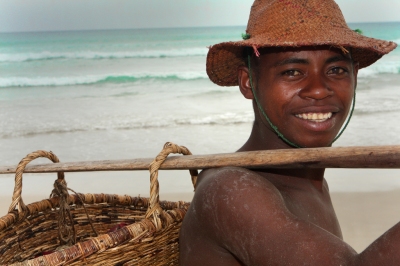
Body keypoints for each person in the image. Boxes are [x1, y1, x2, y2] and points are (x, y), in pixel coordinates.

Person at [179, 0, 397, 265]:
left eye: (336, 70)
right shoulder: (231, 189)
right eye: (292, 72)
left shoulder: (307, 180)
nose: (318, 90)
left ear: (355, 76)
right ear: (248, 82)